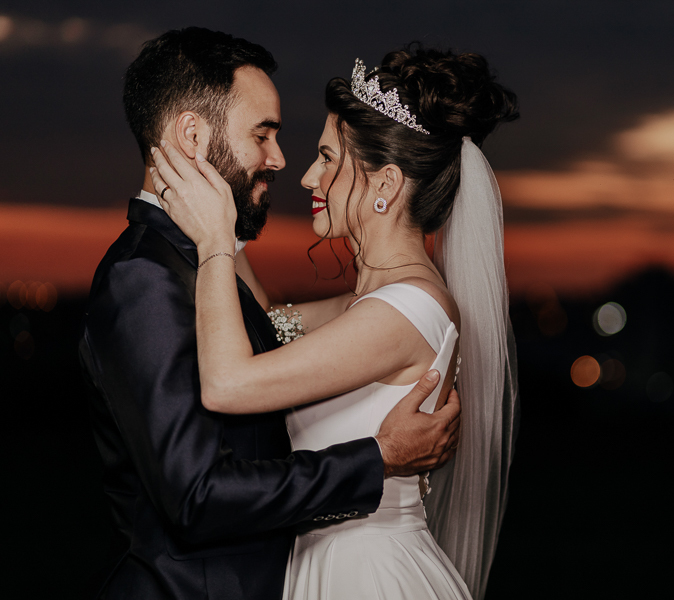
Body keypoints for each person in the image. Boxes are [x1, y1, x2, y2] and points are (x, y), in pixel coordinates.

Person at [79, 28, 460, 600]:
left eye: (323, 156)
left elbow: (277, 327)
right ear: (192, 135)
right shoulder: (145, 277)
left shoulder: (207, 267)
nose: (285, 161)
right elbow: (196, 496)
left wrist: (219, 242)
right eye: (264, 134)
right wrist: (378, 457)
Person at [150, 45, 519, 600]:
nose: (307, 177)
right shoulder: (369, 306)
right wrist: (224, 202)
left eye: (327, 158)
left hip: (368, 574)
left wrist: (212, 241)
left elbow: (229, 382)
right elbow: (258, 323)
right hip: (327, 564)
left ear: (386, 184)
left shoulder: (407, 311)